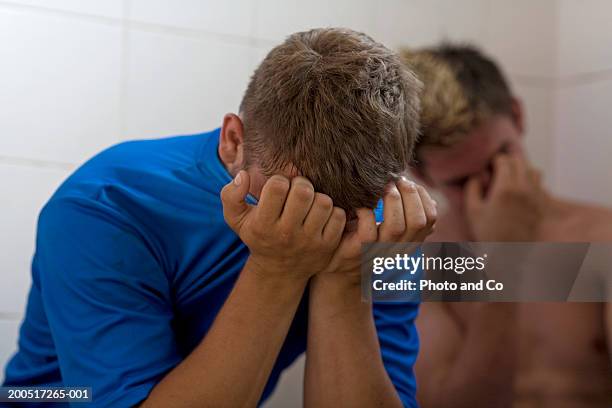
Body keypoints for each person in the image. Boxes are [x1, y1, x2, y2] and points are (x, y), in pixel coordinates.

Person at [2, 28, 436, 407]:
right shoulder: (107, 206)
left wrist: (344, 280)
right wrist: (277, 268)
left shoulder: (382, 225)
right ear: (233, 141)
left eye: (339, 219)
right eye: (285, 199)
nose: (311, 228)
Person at [401, 45, 612, 407]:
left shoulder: (603, 239)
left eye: (501, 159)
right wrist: (503, 257)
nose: (491, 188)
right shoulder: (412, 258)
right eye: (461, 180)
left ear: (517, 115)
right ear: (420, 173)